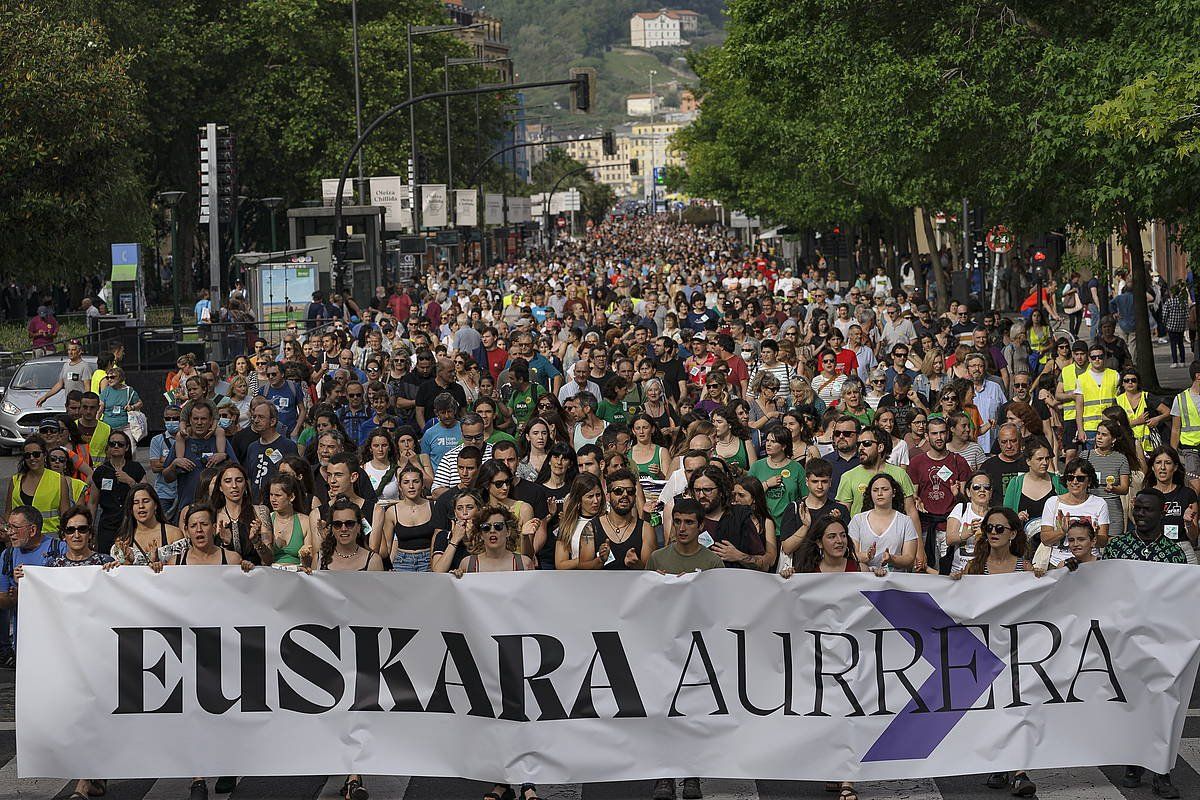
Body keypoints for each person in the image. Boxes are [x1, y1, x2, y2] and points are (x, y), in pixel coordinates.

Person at [0, 506, 64, 663]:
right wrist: (15, 594)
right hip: (24, 642)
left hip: (58, 638)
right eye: (8, 527)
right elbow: (3, 602)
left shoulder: (60, 549)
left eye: (15, 527)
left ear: (33, 530)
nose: (9, 532)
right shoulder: (7, 555)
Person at [579, 469, 655, 570]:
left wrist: (636, 564)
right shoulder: (591, 528)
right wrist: (600, 560)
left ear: (635, 496)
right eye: (618, 491)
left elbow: (651, 573)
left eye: (630, 491)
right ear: (608, 496)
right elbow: (582, 570)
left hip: (634, 585)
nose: (625, 495)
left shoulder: (646, 529)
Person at [1039, 459, 1108, 568]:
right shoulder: (1052, 502)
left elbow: (1103, 541)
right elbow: (1045, 539)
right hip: (1058, 564)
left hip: (1090, 564)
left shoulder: (1099, 503)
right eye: (1070, 478)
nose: (1074, 482)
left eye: (1080, 478)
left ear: (1089, 481)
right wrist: (1061, 531)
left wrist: (1093, 535)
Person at [847, 472, 919, 572]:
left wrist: (891, 559)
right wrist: (867, 556)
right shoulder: (858, 520)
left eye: (885, 489)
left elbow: (909, 559)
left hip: (895, 580)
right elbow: (851, 554)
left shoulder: (905, 521)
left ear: (893, 492)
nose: (880, 494)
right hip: (864, 577)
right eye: (875, 490)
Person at [90, 429, 146, 554]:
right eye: (112, 444)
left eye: (120, 444)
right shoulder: (101, 471)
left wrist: (130, 482)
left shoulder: (135, 468)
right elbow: (93, 502)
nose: (116, 446)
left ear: (126, 448)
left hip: (131, 523)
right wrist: (90, 527)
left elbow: (147, 494)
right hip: (107, 524)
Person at [371, 463, 435, 571]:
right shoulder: (392, 511)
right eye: (406, 482)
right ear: (400, 486)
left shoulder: (434, 506)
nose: (411, 486)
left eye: (416, 482)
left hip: (429, 561)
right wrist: (387, 567)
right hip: (402, 562)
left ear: (422, 484)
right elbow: (388, 545)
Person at [6, 434, 71, 534]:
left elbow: (66, 515)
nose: (32, 458)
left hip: (50, 537)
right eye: (27, 455)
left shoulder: (59, 480)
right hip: (20, 538)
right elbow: (8, 513)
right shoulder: (16, 480)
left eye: (36, 454)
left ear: (44, 455)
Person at [1145, 446, 1200, 564]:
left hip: (1182, 548)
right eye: (1158, 463)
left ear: (1175, 467)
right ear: (1153, 467)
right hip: (1154, 549)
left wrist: (1189, 523)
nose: (1163, 467)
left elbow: (1194, 537)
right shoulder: (1145, 495)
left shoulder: (1188, 494)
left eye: (1168, 463)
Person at [244, 401, 299, 502]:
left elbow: (294, 478)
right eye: (254, 417)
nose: (256, 420)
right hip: (255, 505)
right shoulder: (252, 447)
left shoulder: (288, 446)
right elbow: (249, 478)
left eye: (261, 417)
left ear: (273, 421)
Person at [944, 471, 994, 575]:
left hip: (987, 572)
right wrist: (966, 534)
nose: (982, 490)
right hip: (959, 572)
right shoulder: (961, 509)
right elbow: (949, 539)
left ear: (991, 492)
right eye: (976, 487)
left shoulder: (995, 515)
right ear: (968, 492)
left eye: (987, 487)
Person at [1169, 361, 1200, 493]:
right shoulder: (1181, 399)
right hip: (1190, 450)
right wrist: (1172, 453)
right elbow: (1175, 429)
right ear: (1198, 376)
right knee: (1195, 488)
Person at [35, 339, 93, 407]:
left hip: (80, 406)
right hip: (69, 405)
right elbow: (60, 384)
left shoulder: (85, 366)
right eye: (69, 350)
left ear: (80, 351)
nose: (70, 352)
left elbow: (87, 388)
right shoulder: (66, 365)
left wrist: (86, 405)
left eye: (73, 350)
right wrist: (45, 397)